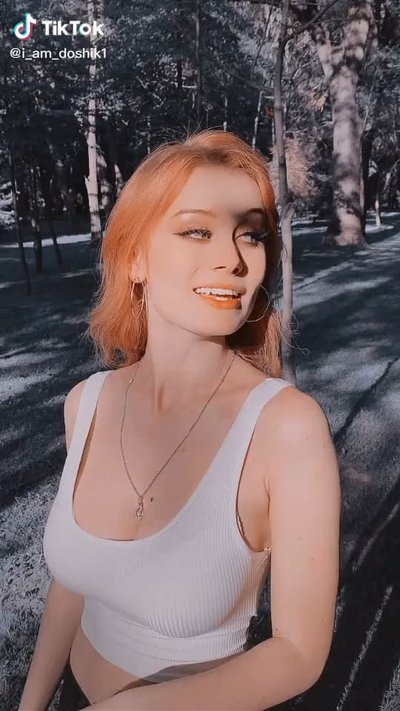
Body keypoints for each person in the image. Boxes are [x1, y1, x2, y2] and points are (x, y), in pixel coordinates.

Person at [19, 129, 340, 711]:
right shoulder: (86, 403)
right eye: (197, 230)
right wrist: (32, 702)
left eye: (251, 234)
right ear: (135, 257)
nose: (233, 259)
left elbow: (298, 652)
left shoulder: (286, 428)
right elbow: (76, 583)